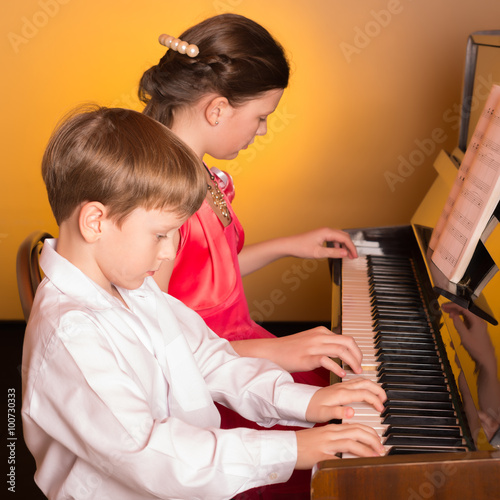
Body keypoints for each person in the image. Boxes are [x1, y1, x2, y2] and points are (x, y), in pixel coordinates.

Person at [21, 106, 386, 500]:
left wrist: (306, 401)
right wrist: (293, 449)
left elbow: (209, 359)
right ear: (95, 222)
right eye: (161, 235)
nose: (170, 253)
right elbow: (151, 454)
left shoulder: (133, 289)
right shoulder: (71, 333)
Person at [138, 15, 365, 497]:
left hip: (239, 353)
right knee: (340, 441)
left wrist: (289, 247)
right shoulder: (163, 205)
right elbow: (157, 352)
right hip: (209, 391)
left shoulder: (196, 174)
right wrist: (277, 350)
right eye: (261, 116)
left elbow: (207, 278)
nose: (261, 131)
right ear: (217, 109)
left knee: (339, 389)